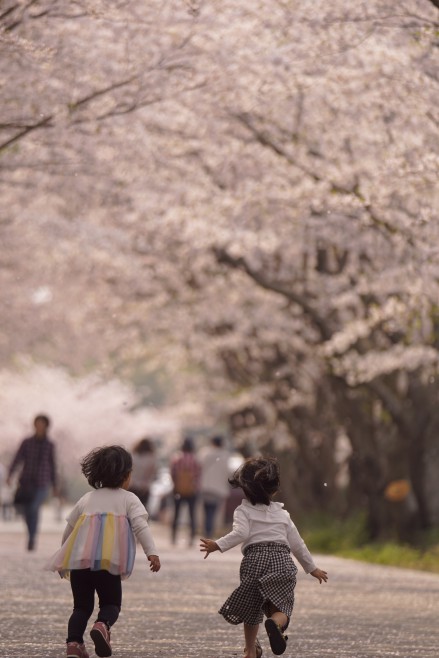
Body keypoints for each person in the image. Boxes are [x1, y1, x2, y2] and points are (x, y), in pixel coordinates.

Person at [200, 456, 328, 658]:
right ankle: (275, 623)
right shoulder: (282, 515)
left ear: (244, 488)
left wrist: (218, 545)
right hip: (281, 560)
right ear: (275, 488)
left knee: (252, 610)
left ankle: (250, 650)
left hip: (254, 560)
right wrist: (312, 568)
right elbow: (297, 543)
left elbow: (241, 534)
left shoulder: (243, 511)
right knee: (282, 606)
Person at [46, 445, 161, 658]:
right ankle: (102, 625)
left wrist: (64, 558)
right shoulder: (129, 499)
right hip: (108, 563)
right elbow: (140, 526)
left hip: (79, 563)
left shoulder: (87, 499)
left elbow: (69, 531)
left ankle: (73, 644)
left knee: (80, 607)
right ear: (126, 475)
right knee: (110, 603)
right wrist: (151, 552)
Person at [7, 414, 57, 550]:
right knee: (26, 510)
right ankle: (31, 533)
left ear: (46, 426)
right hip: (26, 482)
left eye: (42, 423)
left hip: (42, 482)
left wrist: (55, 485)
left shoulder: (50, 444)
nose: (39, 426)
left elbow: (52, 465)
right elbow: (17, 458)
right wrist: (10, 475)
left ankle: (32, 538)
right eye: (37, 423)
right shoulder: (27, 442)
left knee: (34, 508)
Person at [170, 436, 201, 546]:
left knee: (176, 514)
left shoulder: (177, 458)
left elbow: (172, 473)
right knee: (192, 514)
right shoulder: (195, 459)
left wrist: (176, 484)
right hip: (192, 491)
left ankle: (173, 537)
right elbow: (198, 475)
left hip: (178, 490)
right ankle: (191, 539)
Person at [199, 435, 230, 537]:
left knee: (207, 511)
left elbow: (199, 467)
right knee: (214, 511)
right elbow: (227, 472)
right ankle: (210, 532)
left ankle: (206, 531)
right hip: (219, 488)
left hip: (206, 486)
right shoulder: (225, 455)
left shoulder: (205, 453)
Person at [128, 437, 157, 509]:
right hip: (145, 487)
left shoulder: (133, 456)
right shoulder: (151, 458)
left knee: (131, 509)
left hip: (133, 485)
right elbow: (152, 473)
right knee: (143, 509)